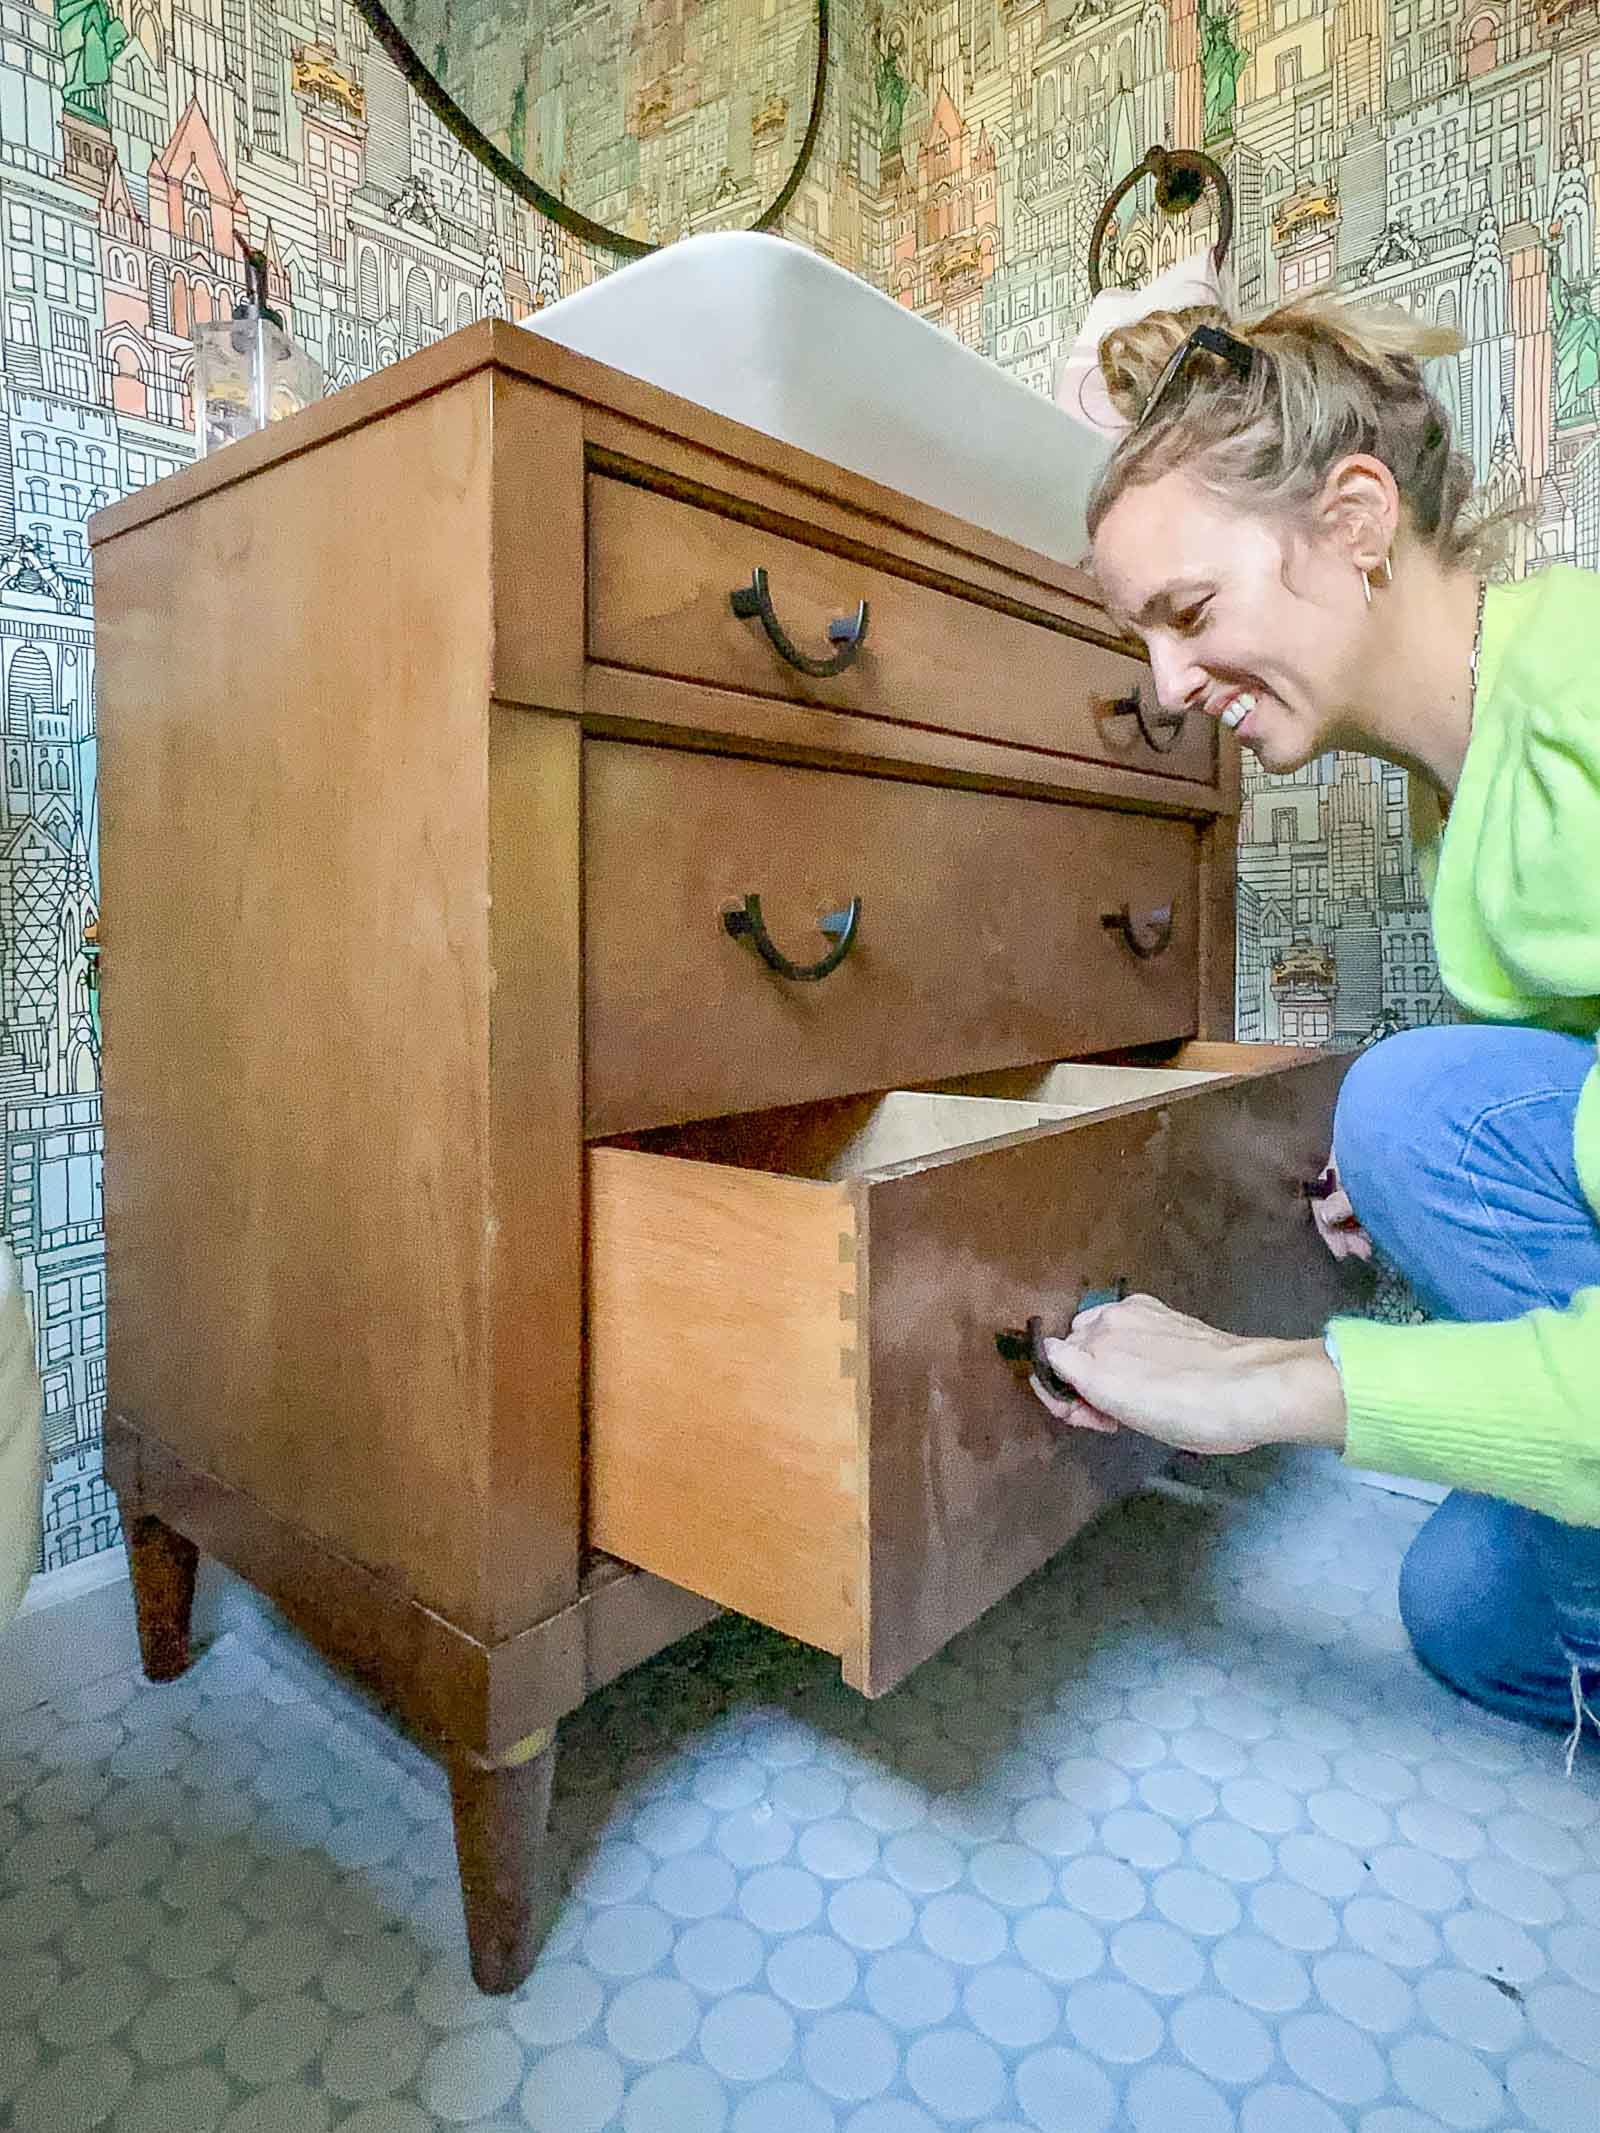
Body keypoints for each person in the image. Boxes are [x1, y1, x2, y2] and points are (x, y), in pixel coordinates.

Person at [1033, 292, 1600, 1753]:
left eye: (1190, 611)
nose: (1166, 685)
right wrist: (1420, 1185)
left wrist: (1271, 1377)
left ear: (1356, 520)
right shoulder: (1466, 776)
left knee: (1413, 1113)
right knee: (1463, 1603)